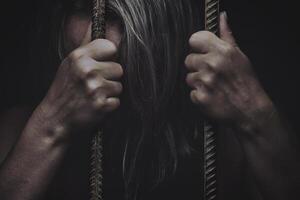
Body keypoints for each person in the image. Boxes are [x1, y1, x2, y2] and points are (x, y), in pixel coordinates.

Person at [0, 0, 299, 200]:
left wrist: (254, 113)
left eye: (123, 17)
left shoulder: (227, 143)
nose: (106, 40)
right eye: (84, 8)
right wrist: (52, 122)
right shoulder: (21, 127)